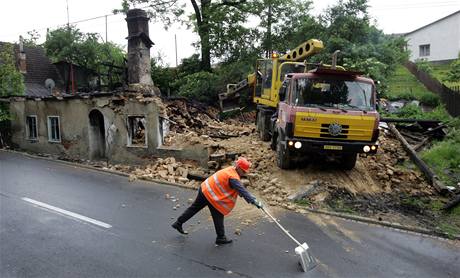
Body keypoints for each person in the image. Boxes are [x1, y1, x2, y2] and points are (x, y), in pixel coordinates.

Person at [171, 157, 263, 245]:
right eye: (243, 171)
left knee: (194, 208)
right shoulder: (233, 177)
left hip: (205, 189)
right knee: (218, 213)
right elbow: (242, 190)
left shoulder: (230, 169)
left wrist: (249, 197)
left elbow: (238, 189)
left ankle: (178, 223)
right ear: (238, 167)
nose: (244, 173)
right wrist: (254, 201)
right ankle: (221, 237)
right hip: (211, 195)